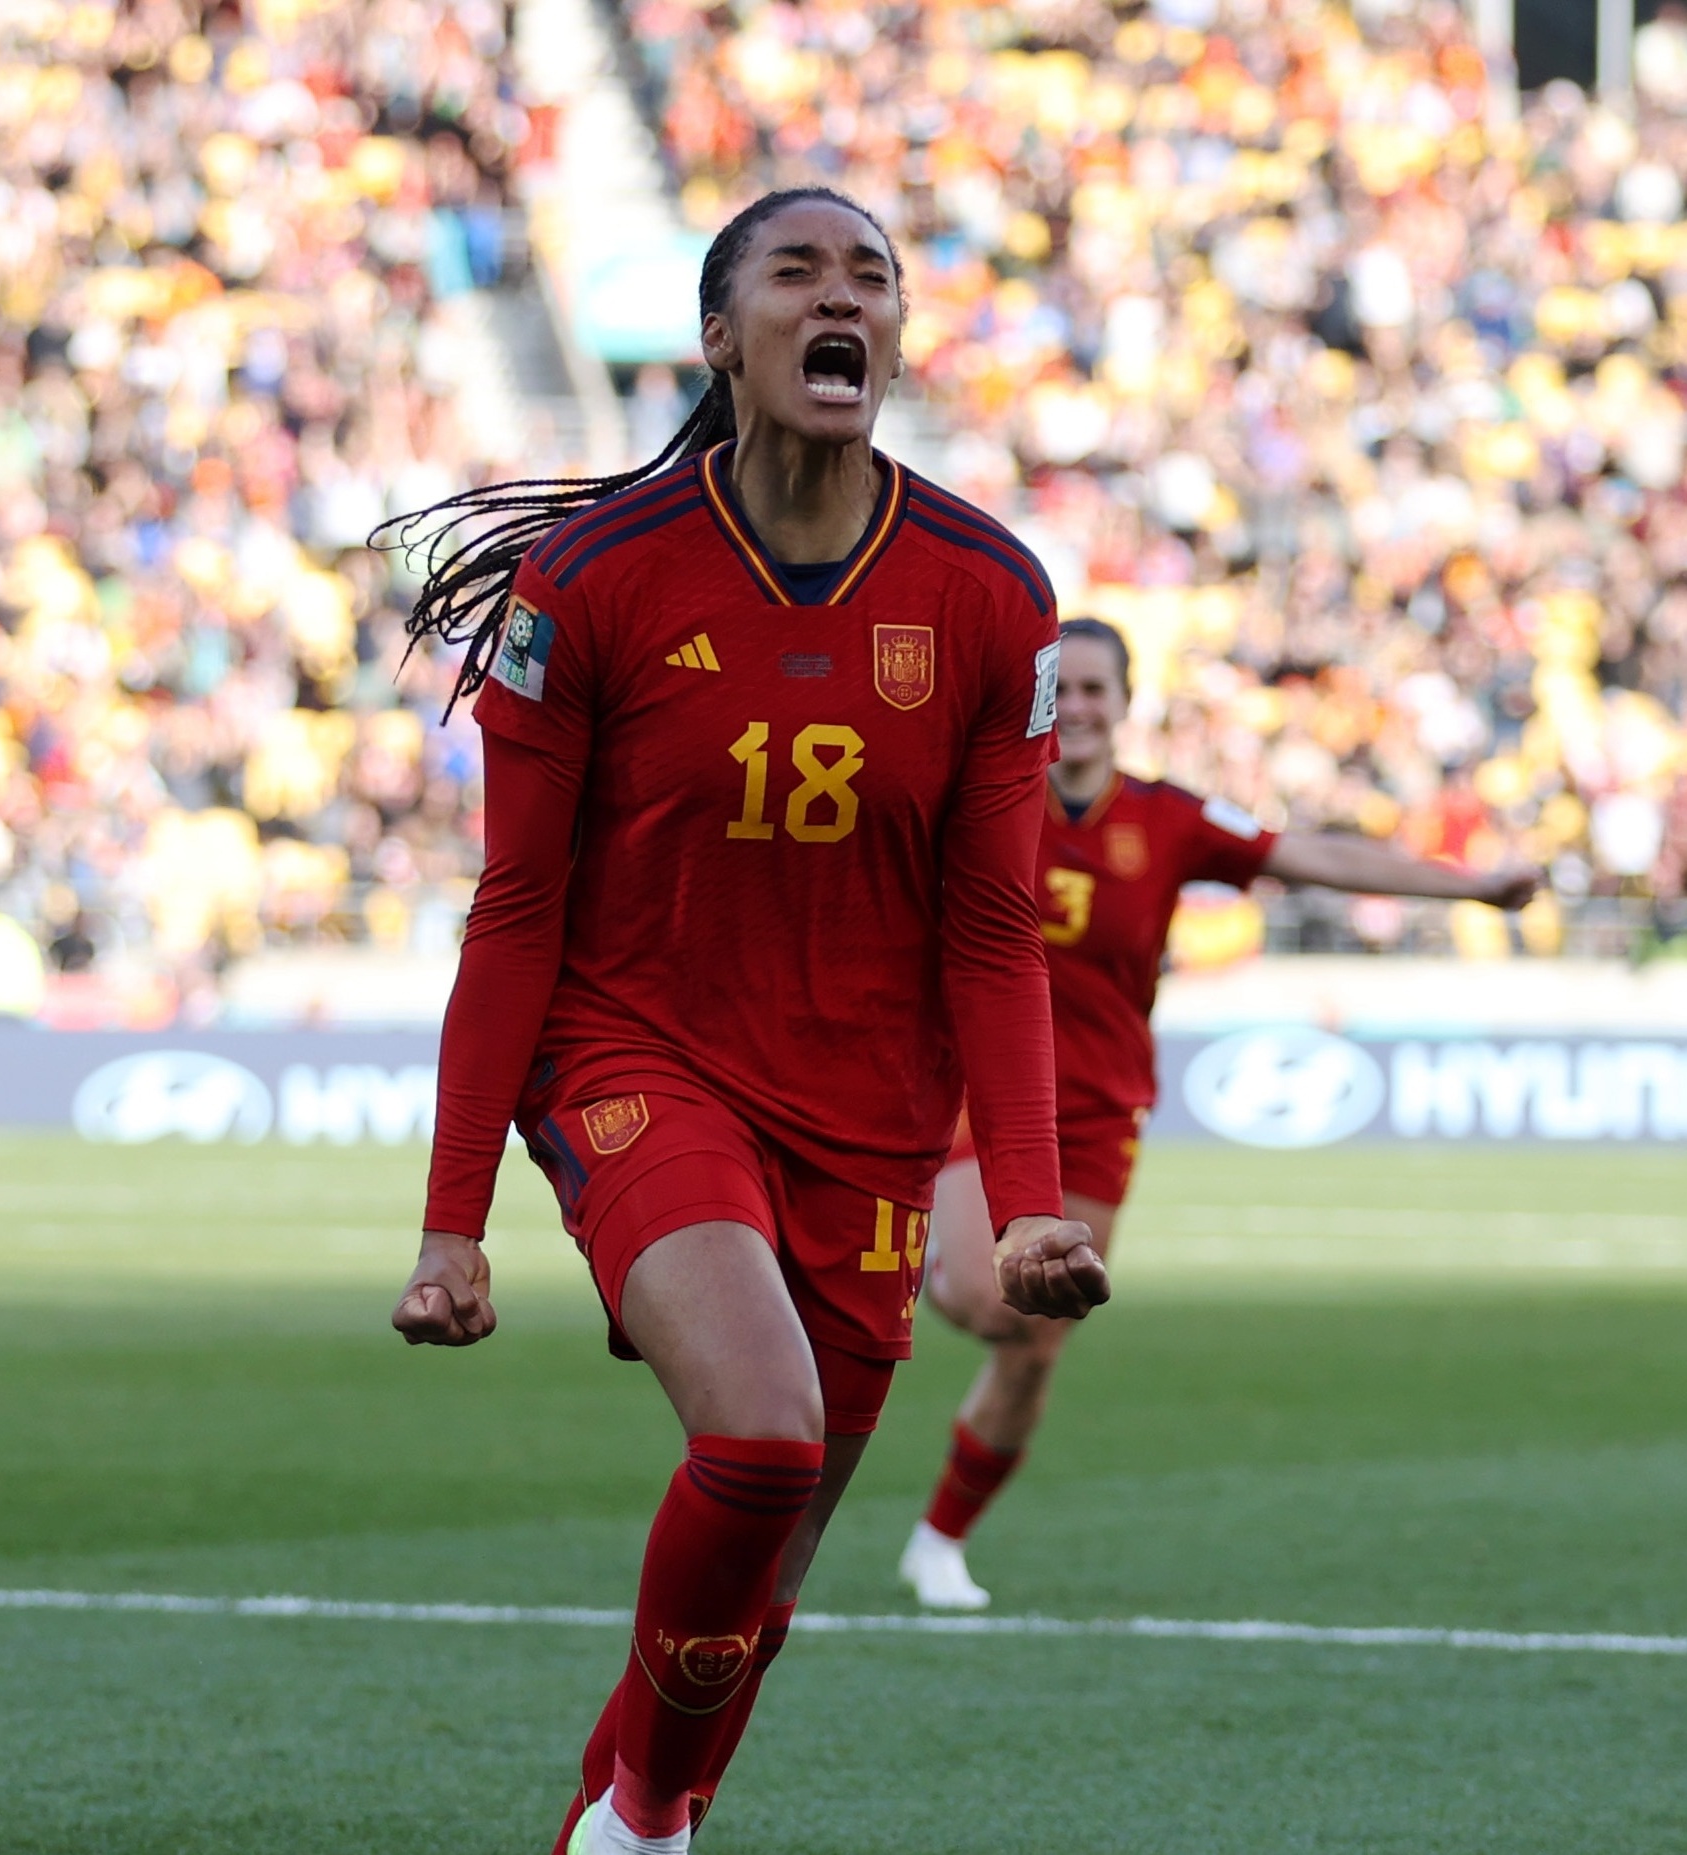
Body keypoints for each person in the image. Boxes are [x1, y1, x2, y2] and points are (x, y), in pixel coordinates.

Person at [381, 187, 1111, 1855]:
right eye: (797, 271)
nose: (840, 296)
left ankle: (632, 1814)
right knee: (765, 1439)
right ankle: (641, 1828)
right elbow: (511, 914)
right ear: (720, 335)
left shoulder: (993, 593)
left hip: (861, 1097)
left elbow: (994, 933)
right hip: (634, 1055)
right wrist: (451, 1225)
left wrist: (1023, 1203)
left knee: (759, 1582)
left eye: (871, 275)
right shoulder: (591, 582)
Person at [897, 617, 1543, 1610]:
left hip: (1099, 1110)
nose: (1074, 707)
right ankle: (889, 1267)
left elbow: (1311, 857)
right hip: (972, 1092)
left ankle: (938, 1539)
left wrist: (1467, 886)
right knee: (990, 1301)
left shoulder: (1167, 818)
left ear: (1124, 704)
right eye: (1058, 688)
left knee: (1036, 1337)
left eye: (1094, 690)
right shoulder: (983, 795)